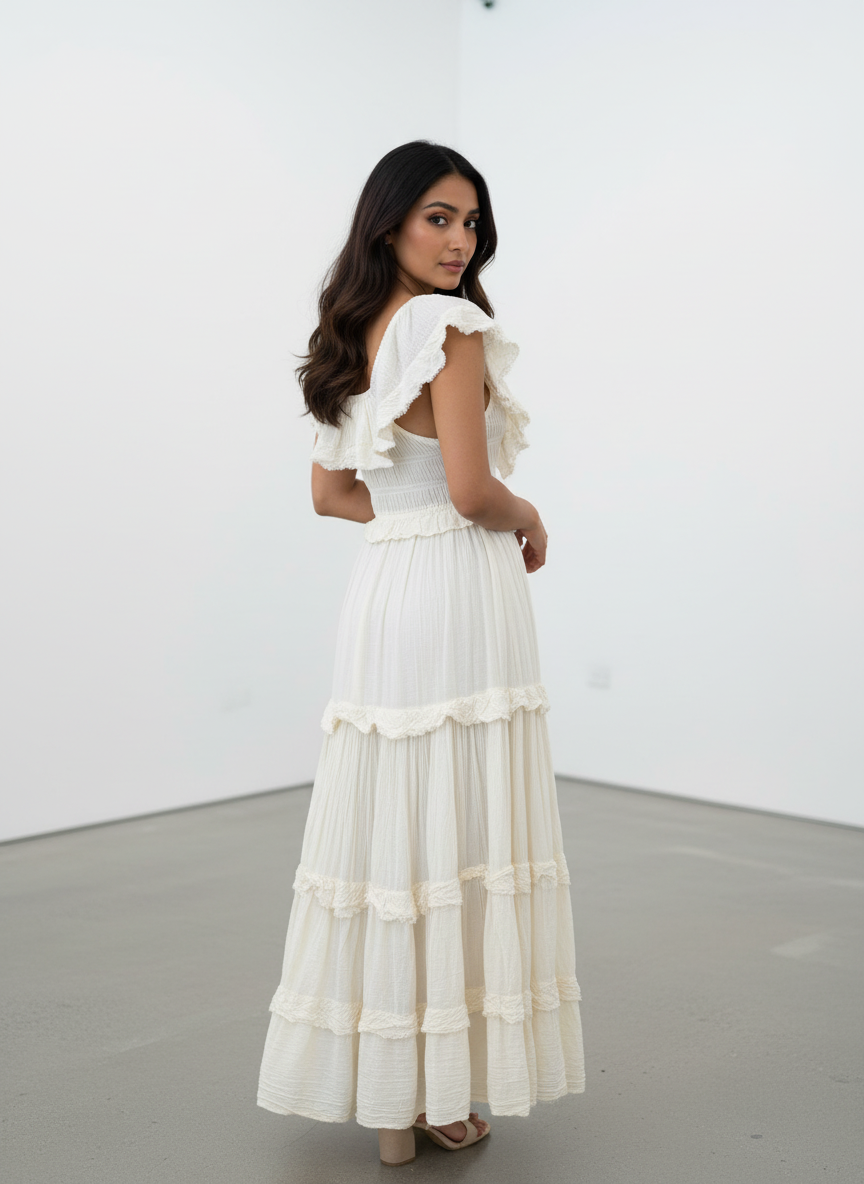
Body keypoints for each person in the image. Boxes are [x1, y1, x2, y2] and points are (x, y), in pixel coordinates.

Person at [256, 140, 585, 1167]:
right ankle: (435, 1089)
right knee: (457, 826)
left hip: (385, 595)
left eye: (472, 222)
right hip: (457, 591)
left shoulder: (355, 331)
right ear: (390, 219)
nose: (459, 240)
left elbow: (332, 493)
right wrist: (527, 513)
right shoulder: (450, 327)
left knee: (393, 832)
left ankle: (392, 1098)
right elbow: (474, 488)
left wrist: (408, 511)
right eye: (439, 216)